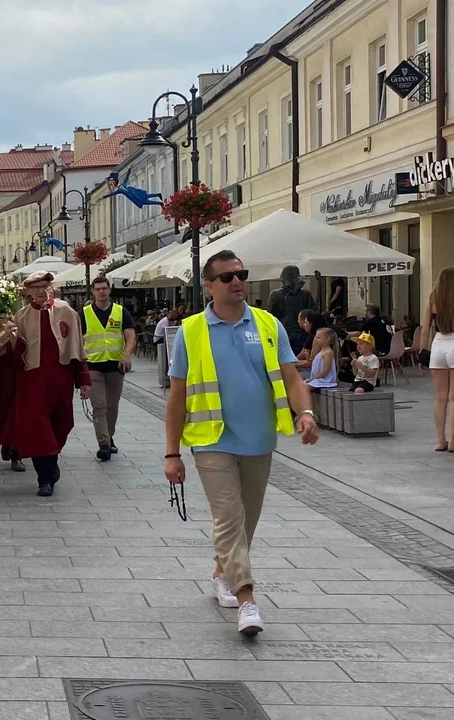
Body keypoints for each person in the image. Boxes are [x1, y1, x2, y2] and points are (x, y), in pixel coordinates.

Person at [165, 250, 318, 637]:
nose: (237, 282)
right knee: (229, 517)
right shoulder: (191, 330)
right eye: (228, 277)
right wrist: (171, 453)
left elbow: (292, 378)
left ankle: (222, 573)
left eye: (241, 274)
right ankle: (247, 600)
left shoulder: (268, 324)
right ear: (210, 286)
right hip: (211, 439)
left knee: (246, 520)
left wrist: (306, 414)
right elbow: (177, 395)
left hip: (259, 439)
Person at [0, 272, 90, 497]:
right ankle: (45, 478)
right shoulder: (20, 317)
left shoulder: (67, 313)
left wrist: (84, 380)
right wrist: (11, 341)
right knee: (37, 430)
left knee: (60, 425)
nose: (41, 291)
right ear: (28, 292)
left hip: (60, 382)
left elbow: (78, 348)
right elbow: (13, 358)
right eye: (36, 287)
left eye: (45, 286)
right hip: (31, 384)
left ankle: (51, 464)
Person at [78, 276, 136, 461]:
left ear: (109, 290)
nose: (101, 292)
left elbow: (131, 336)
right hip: (93, 366)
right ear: (93, 291)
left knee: (112, 406)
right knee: (99, 406)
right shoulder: (84, 313)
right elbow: (77, 341)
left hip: (115, 366)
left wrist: (126, 355)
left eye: (104, 288)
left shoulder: (120, 312)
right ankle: (103, 444)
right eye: (98, 289)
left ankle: (109, 436)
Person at [421, 267, 454, 451]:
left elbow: (425, 329)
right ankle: (453, 442)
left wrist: (422, 352)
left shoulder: (433, 299)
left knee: (440, 398)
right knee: (453, 398)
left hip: (438, 344)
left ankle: (441, 441)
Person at [268, 265, 316, 353]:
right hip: (299, 333)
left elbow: (271, 317)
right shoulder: (305, 294)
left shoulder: (276, 294)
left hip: (285, 332)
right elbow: (312, 314)